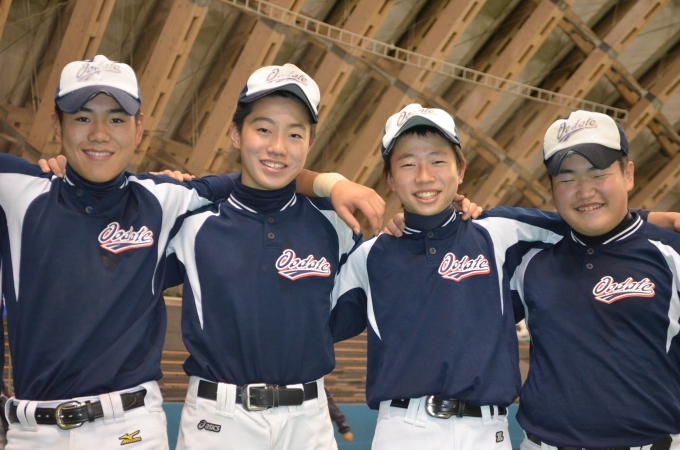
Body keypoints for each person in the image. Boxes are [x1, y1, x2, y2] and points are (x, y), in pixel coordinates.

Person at [0, 55, 384, 449]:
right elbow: (250, 178)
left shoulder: (332, 221)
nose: (99, 133)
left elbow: (267, 178)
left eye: (116, 119)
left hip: (152, 424)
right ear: (235, 133)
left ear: (138, 128)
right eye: (82, 118)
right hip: (203, 419)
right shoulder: (183, 212)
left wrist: (331, 183)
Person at [330, 104, 577, 450]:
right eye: (407, 164)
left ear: (460, 170)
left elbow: (595, 223)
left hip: (488, 432)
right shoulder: (370, 257)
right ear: (390, 178)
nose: (424, 176)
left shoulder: (500, 233)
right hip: (403, 431)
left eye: (437, 161)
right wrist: (326, 185)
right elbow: (309, 326)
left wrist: (651, 221)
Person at [511, 111, 680, 449]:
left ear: (628, 174)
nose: (584, 191)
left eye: (598, 174)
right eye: (567, 179)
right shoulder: (528, 258)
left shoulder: (671, 252)